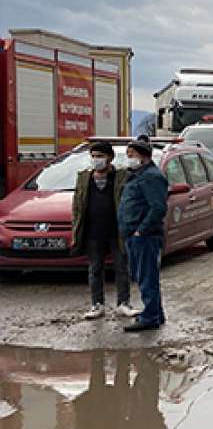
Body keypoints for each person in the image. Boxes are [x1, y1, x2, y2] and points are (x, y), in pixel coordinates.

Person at [71, 141, 138, 320]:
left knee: (122, 267)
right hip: (93, 232)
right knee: (95, 269)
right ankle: (97, 304)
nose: (96, 160)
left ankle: (123, 303)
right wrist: (75, 231)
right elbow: (77, 206)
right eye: (93, 156)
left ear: (109, 158)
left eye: (100, 156)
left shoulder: (121, 177)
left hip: (117, 231)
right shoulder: (84, 178)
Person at [118, 139, 168, 333]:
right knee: (142, 275)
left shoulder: (151, 177)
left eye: (131, 155)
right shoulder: (137, 175)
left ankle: (150, 317)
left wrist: (142, 230)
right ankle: (155, 312)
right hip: (134, 234)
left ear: (143, 156)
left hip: (144, 236)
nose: (128, 158)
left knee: (147, 276)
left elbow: (158, 207)